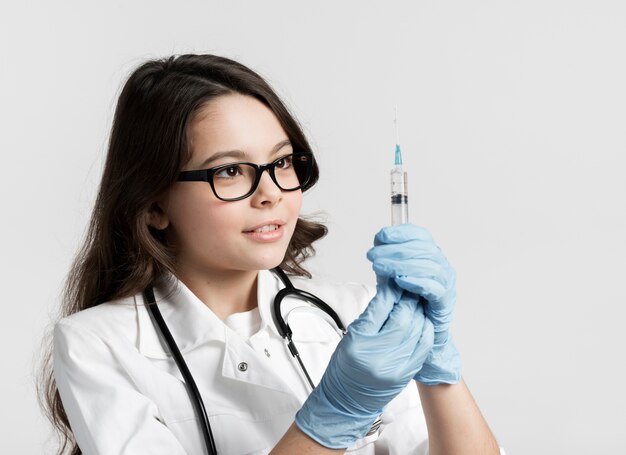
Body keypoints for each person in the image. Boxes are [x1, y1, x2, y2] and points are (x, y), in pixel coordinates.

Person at [39, 54, 503, 454]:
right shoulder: (97, 346)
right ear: (156, 203)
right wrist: (334, 415)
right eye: (230, 171)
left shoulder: (357, 314)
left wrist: (438, 365)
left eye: (281, 162)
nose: (270, 193)